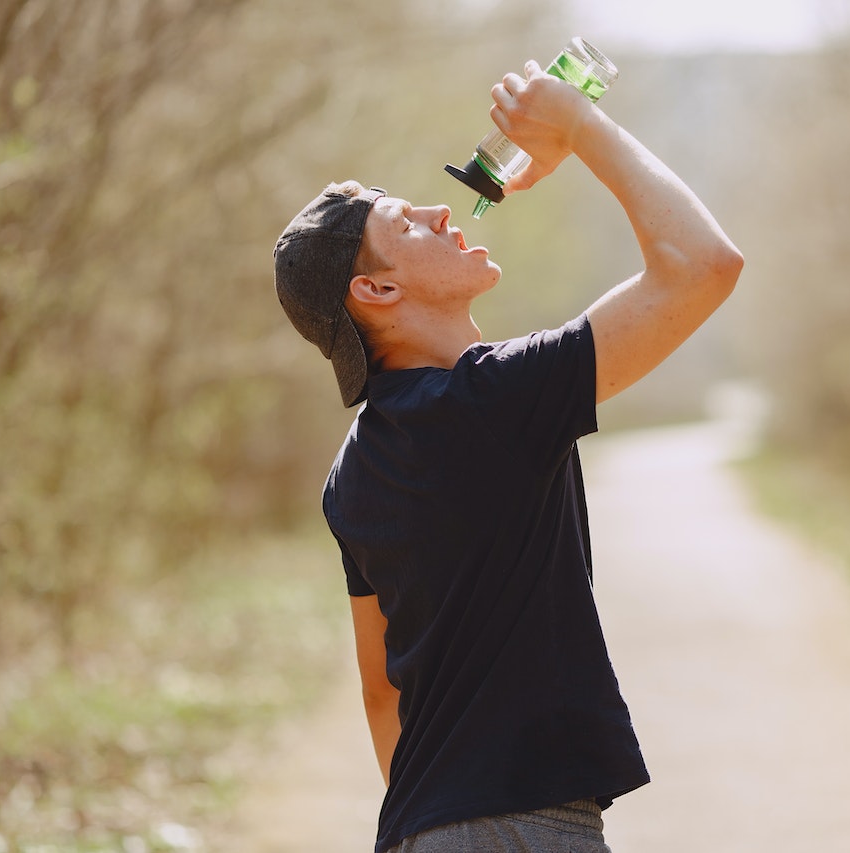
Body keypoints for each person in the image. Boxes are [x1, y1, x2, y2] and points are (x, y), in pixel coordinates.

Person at [272, 58, 743, 853]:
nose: (435, 208)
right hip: (523, 828)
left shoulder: (351, 473)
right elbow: (704, 264)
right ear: (377, 294)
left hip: (421, 827)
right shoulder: (492, 403)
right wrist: (581, 128)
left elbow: (384, 694)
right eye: (404, 223)